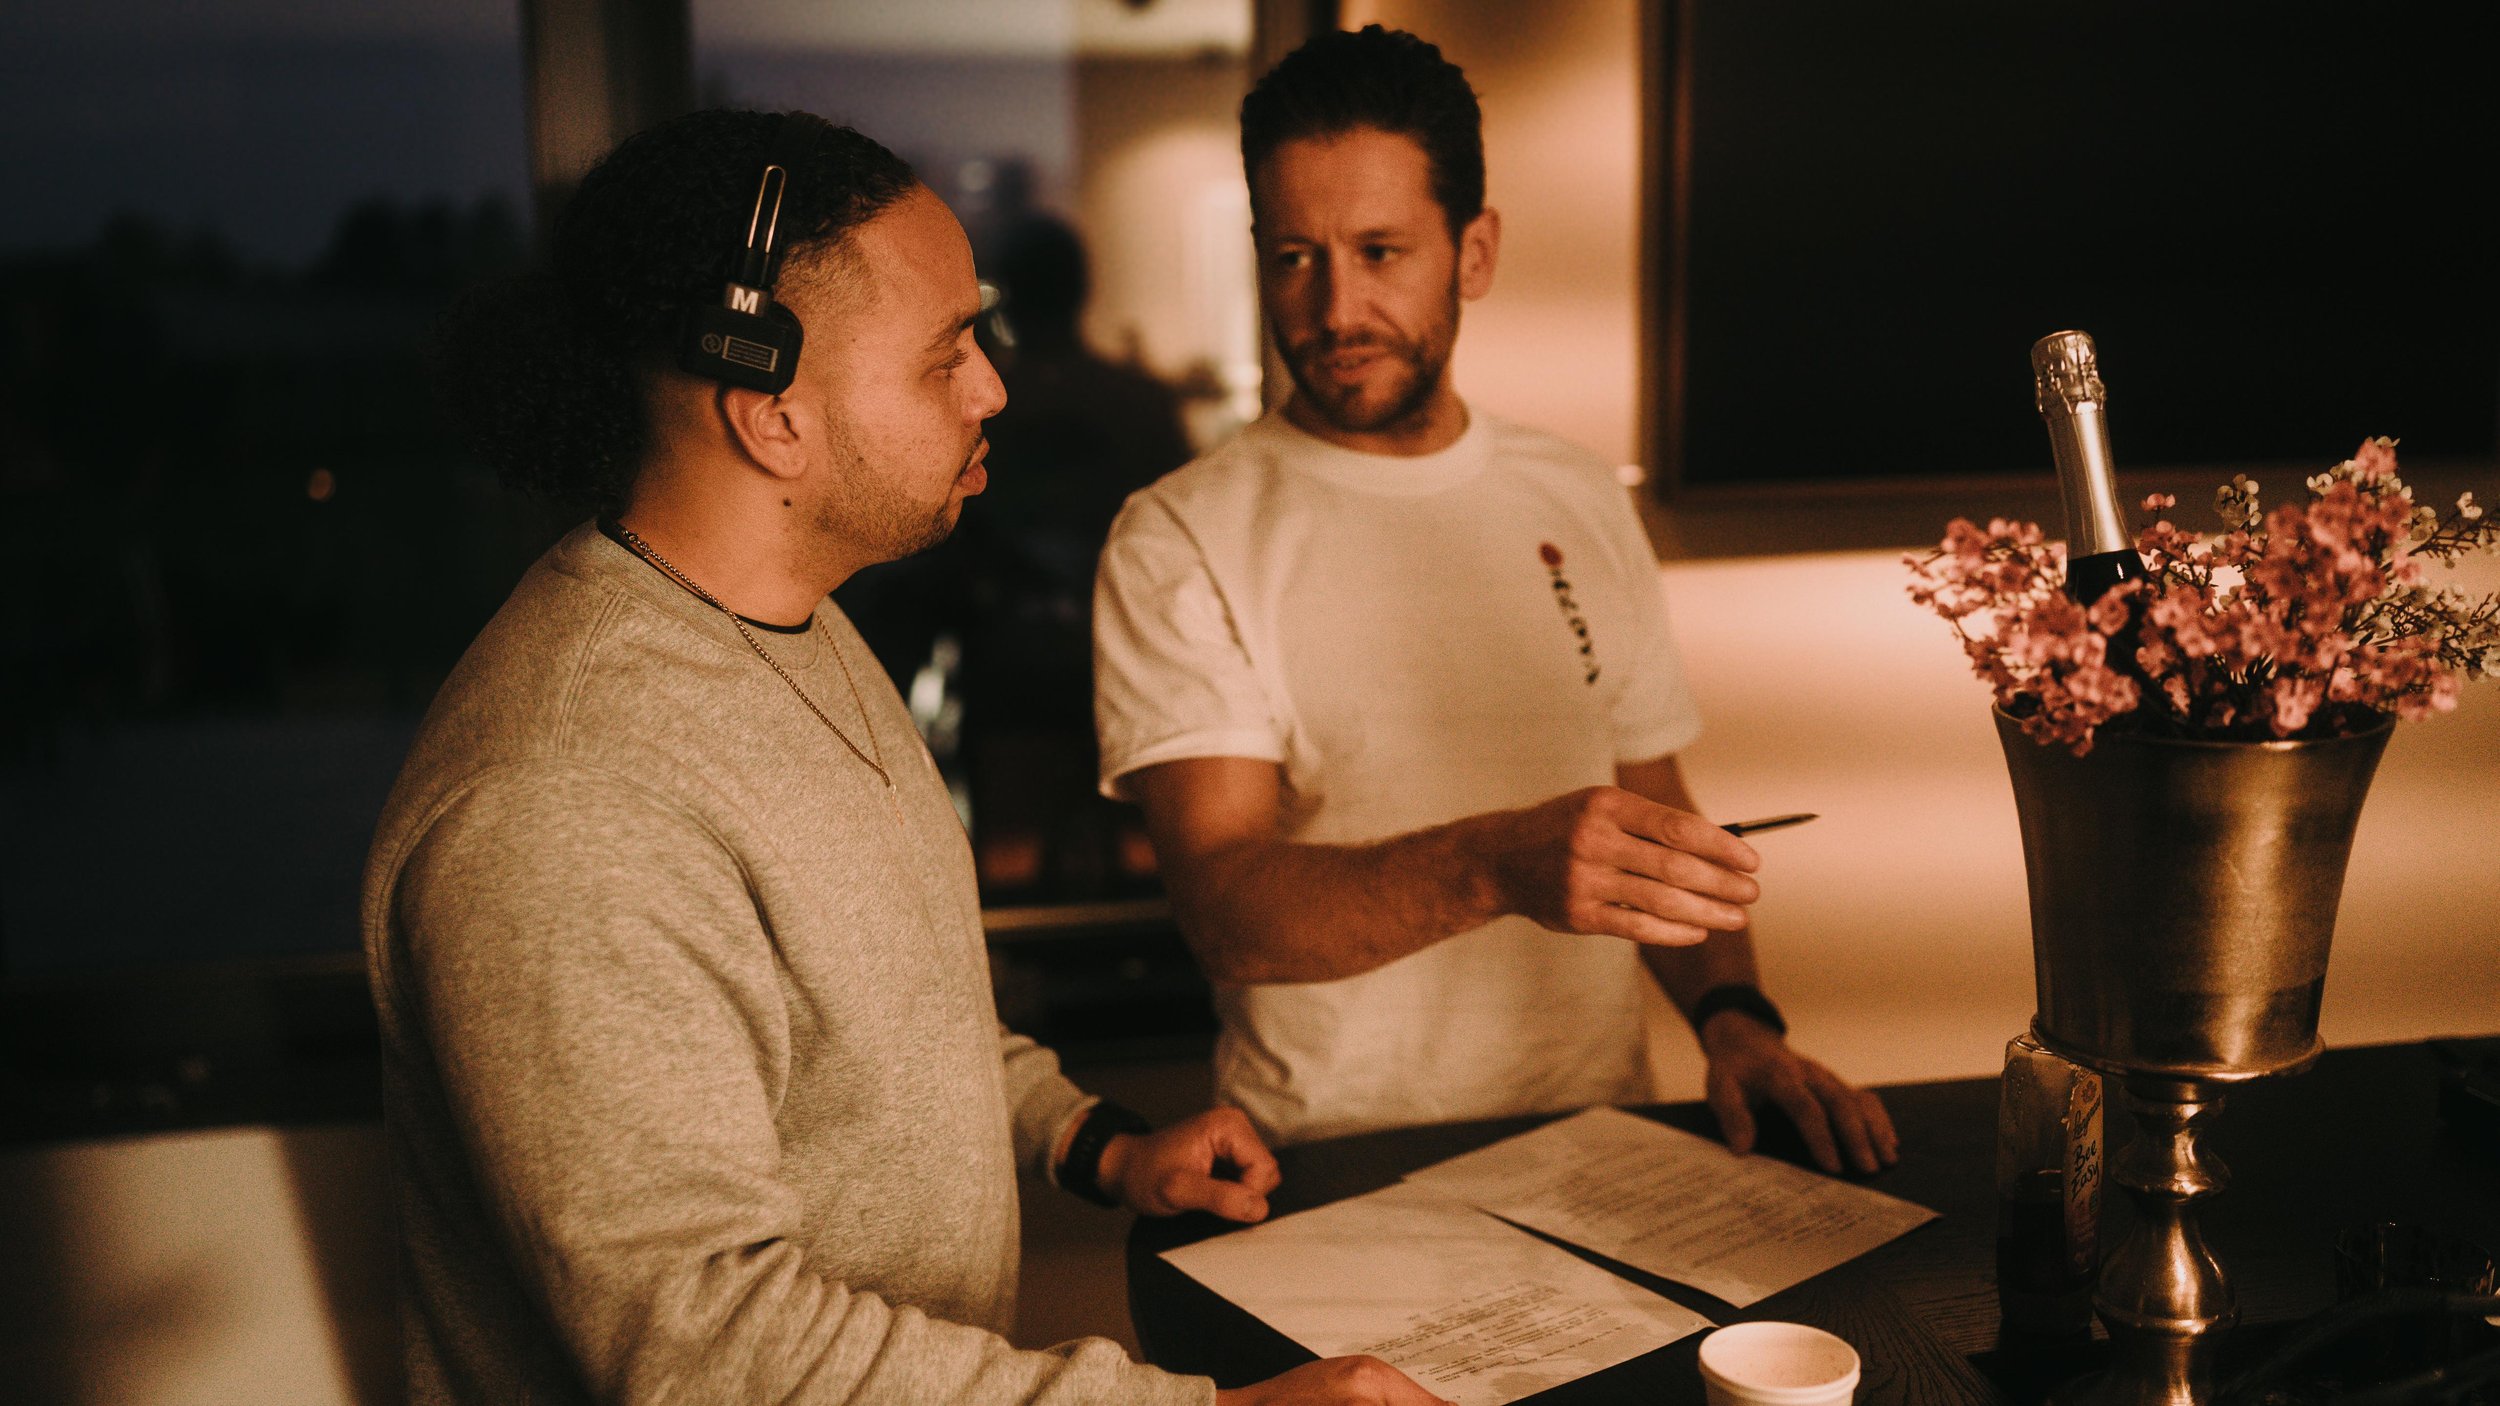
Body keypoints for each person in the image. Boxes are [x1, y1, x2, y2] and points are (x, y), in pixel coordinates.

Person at [368, 109, 1440, 1406]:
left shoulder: (799, 622)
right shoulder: (566, 802)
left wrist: (1097, 1143)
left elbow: (885, 1016)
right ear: (773, 414)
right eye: (946, 356)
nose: (994, 384)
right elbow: (709, 1350)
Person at [1092, 28, 1900, 1170]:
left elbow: (1652, 800)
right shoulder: (1180, 532)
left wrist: (1737, 1021)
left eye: (1380, 250)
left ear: (1473, 252)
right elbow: (1225, 904)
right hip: (1328, 1161)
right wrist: (1494, 863)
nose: (1332, 307)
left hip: (1601, 1136)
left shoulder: (1570, 489)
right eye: (1293, 256)